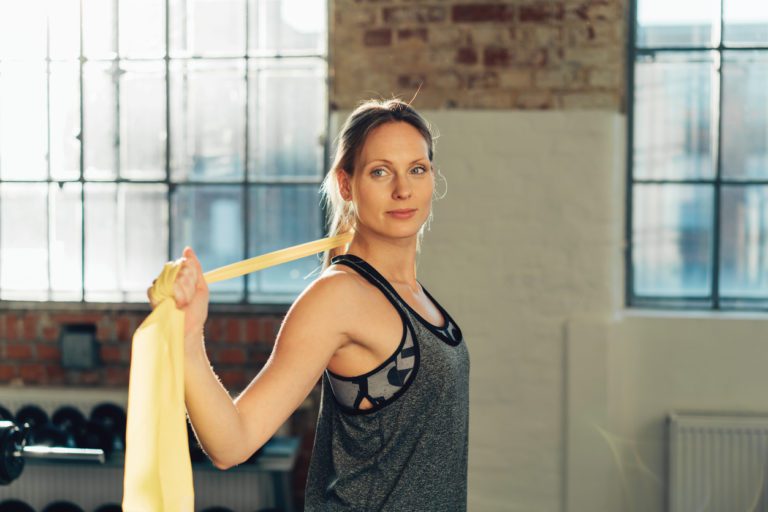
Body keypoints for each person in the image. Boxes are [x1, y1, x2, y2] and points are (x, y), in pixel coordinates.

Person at [149, 98, 470, 511]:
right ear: (346, 185)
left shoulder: (414, 295)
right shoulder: (337, 297)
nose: (403, 189)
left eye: (417, 169)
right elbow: (233, 443)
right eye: (380, 171)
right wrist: (189, 339)